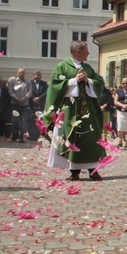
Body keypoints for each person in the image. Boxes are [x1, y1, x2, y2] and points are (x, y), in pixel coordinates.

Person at [44, 41, 107, 181]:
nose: (88, 54)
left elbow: (99, 82)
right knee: (73, 139)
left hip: (88, 112)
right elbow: (54, 86)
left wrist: (88, 80)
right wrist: (73, 81)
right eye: (86, 51)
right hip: (71, 112)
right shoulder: (62, 67)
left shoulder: (88, 68)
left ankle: (93, 170)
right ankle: (74, 172)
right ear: (78, 51)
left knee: (91, 139)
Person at [8, 68, 31, 142]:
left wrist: (23, 99)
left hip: (24, 105)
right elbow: (11, 92)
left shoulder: (28, 82)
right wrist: (17, 99)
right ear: (17, 73)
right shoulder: (13, 81)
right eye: (20, 72)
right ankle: (14, 136)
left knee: (23, 121)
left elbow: (30, 92)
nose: (21, 74)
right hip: (15, 104)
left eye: (23, 73)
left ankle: (22, 137)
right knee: (14, 121)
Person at [27, 71, 48, 141]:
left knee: (39, 120)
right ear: (33, 75)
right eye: (37, 75)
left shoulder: (44, 84)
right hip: (31, 104)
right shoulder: (29, 83)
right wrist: (33, 98)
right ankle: (31, 135)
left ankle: (37, 135)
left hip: (40, 104)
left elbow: (46, 92)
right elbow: (27, 91)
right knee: (31, 120)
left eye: (40, 75)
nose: (38, 77)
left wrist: (39, 98)